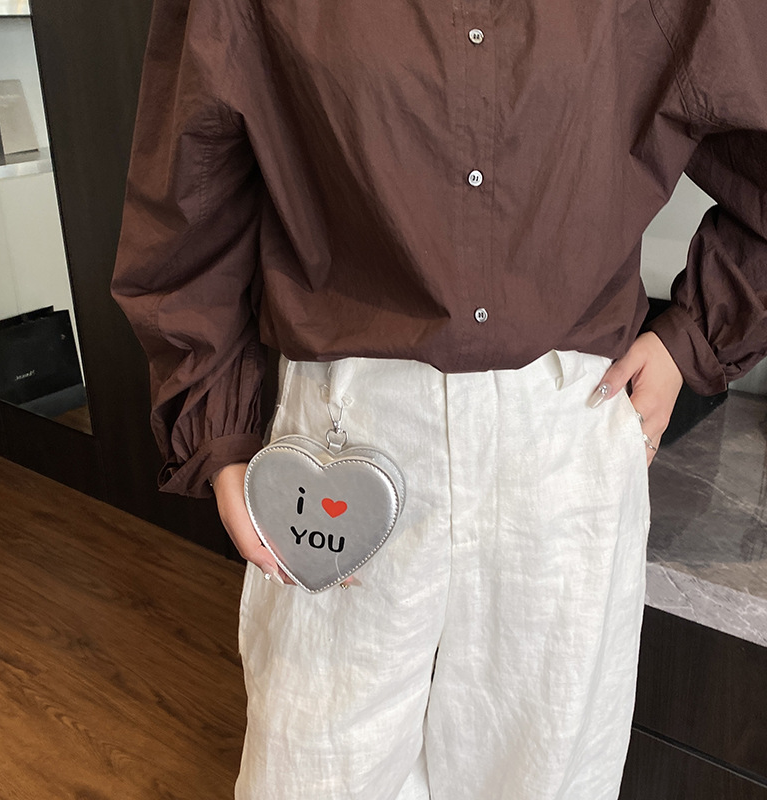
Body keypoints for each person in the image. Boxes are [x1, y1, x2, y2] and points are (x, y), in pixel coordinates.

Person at [111, 1, 767, 798]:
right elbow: (192, 190)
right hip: (344, 432)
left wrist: (691, 335)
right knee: (315, 772)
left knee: (544, 774)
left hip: (564, 433)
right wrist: (217, 429)